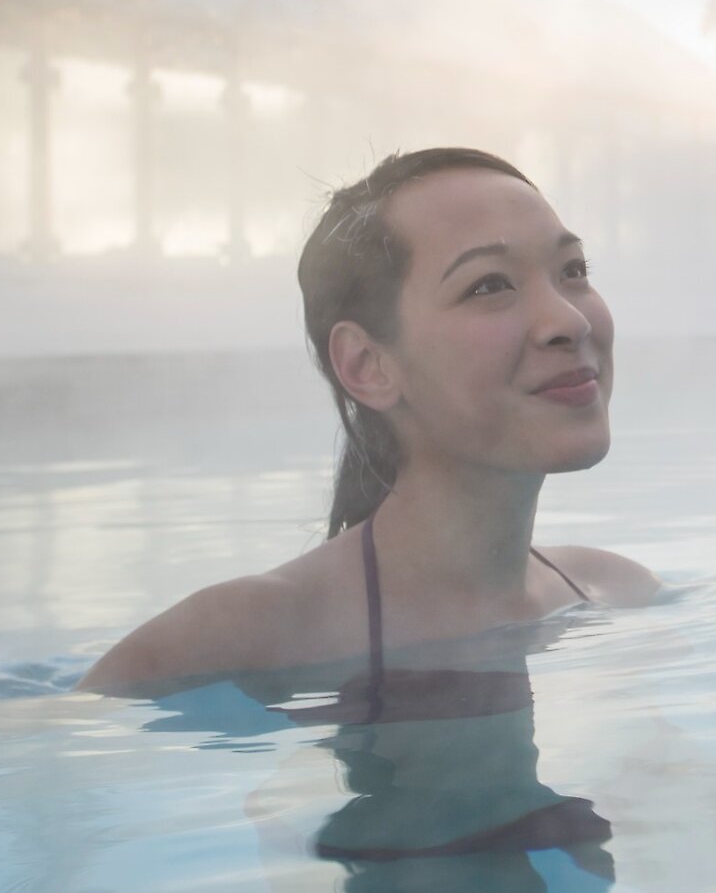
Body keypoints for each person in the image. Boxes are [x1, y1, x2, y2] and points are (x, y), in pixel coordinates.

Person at [81, 147, 660, 696]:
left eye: (573, 269)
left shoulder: (611, 593)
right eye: (489, 285)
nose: (569, 321)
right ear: (368, 365)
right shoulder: (245, 636)